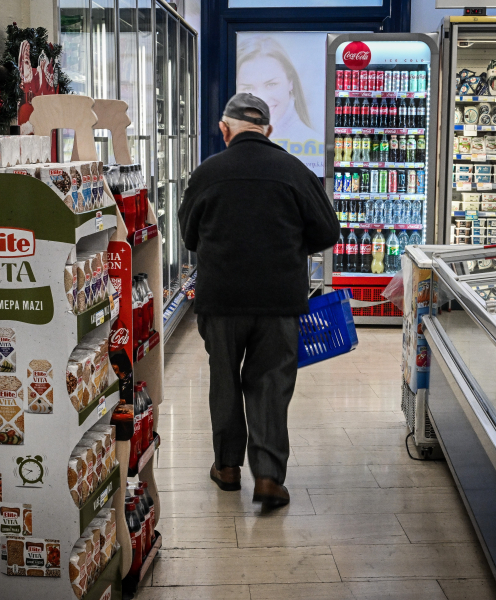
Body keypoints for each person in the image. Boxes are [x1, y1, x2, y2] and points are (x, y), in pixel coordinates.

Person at [178, 93, 339, 509]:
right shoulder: (295, 170)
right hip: (278, 299)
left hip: (221, 299)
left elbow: (189, 237)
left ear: (224, 129)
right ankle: (268, 477)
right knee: (270, 382)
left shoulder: (207, 173)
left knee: (224, 380)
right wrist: (287, 244)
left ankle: (227, 468)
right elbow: (327, 232)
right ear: (268, 129)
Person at [236, 36, 320, 148]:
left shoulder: (314, 147)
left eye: (271, 85)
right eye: (248, 88)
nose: (262, 100)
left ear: (290, 82)